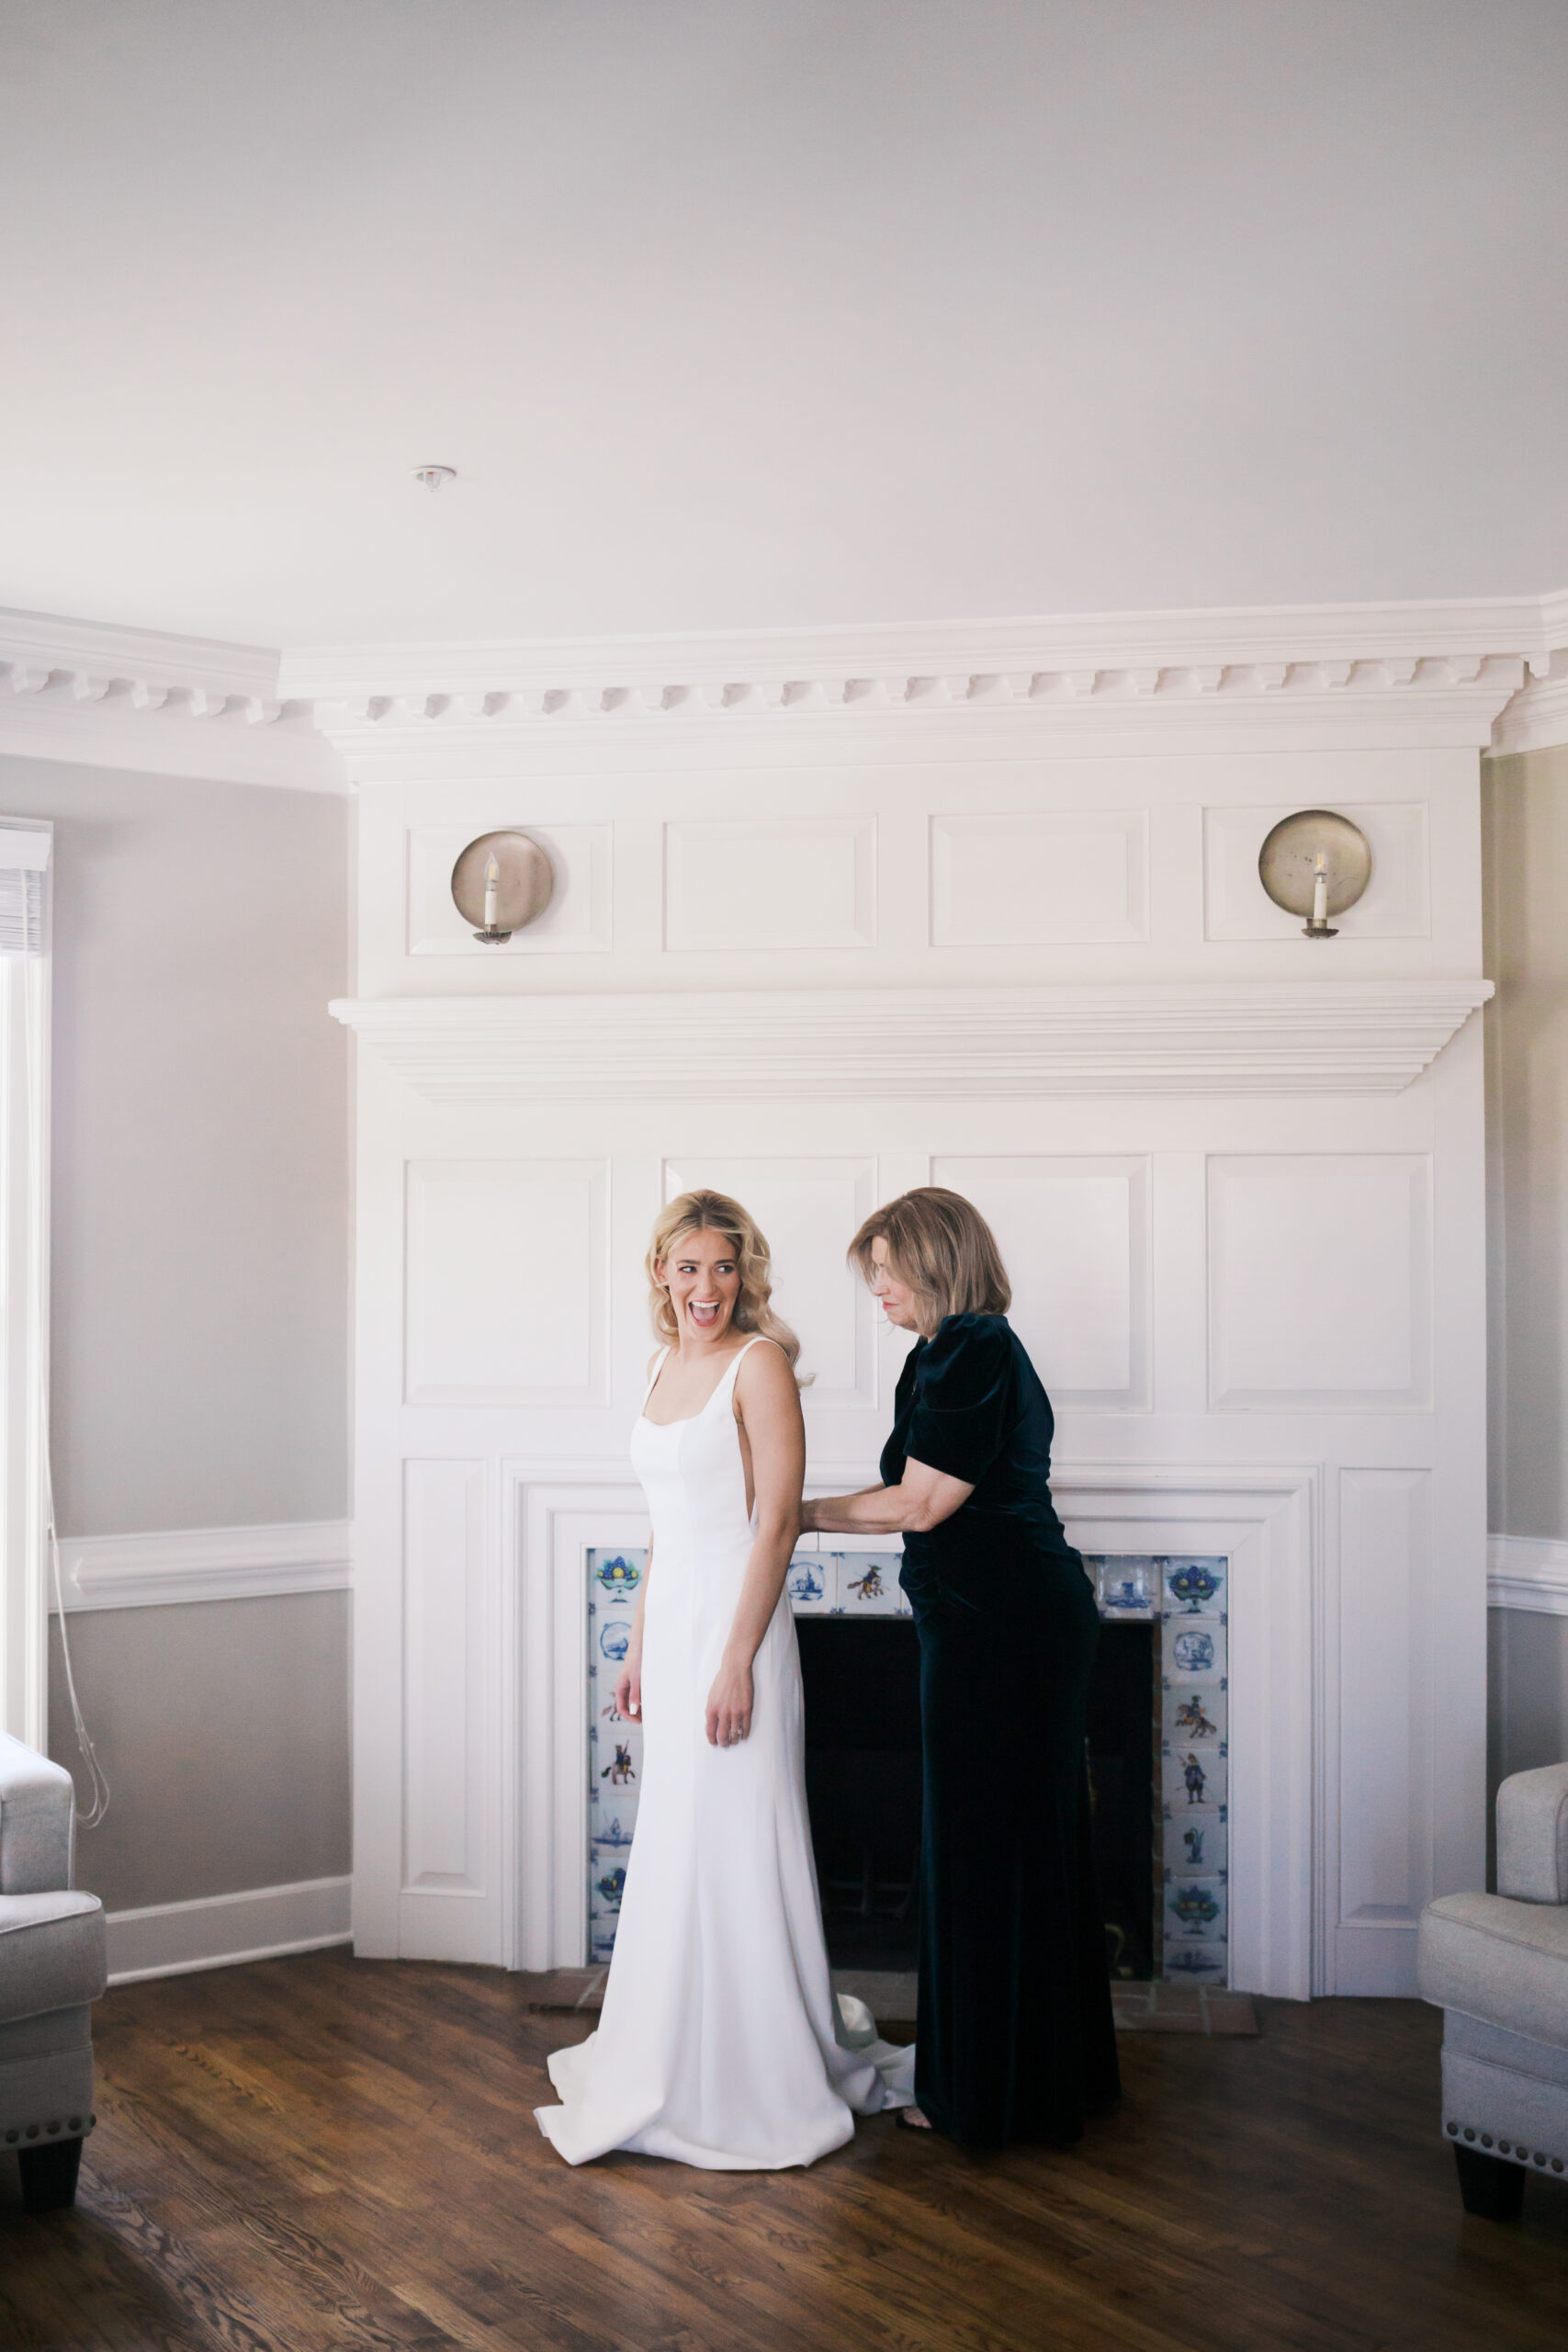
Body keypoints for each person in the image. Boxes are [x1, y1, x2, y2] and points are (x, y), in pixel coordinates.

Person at [535, 1189, 912, 2167]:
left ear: (746, 1274)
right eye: (689, 1266)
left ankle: (756, 2071)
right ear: (661, 1271)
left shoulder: (761, 1364)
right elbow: (666, 1525)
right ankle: (668, 2049)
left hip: (740, 1633)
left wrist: (736, 1656)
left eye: (724, 1267)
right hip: (674, 1629)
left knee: (738, 1841)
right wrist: (636, 1642)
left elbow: (775, 1523)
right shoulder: (663, 1364)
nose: (707, 1287)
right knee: (677, 1842)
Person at [801, 1187, 1119, 2150]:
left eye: (888, 1269)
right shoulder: (941, 1357)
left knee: (985, 1851)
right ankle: (1028, 2078)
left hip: (1006, 1630)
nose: (880, 1289)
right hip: (985, 1623)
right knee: (1003, 1847)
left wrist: (793, 1515)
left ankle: (986, 2091)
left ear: (937, 1263)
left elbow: (923, 1503)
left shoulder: (974, 1347)